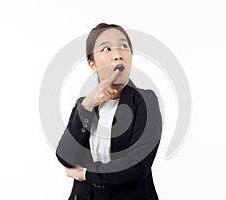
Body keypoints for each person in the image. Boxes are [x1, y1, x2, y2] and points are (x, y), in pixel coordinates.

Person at [56, 23, 162, 200]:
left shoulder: (146, 101)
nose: (118, 55)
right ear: (92, 64)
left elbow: (137, 165)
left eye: (123, 46)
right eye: (106, 48)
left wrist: (86, 174)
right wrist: (88, 105)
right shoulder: (84, 105)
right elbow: (66, 157)